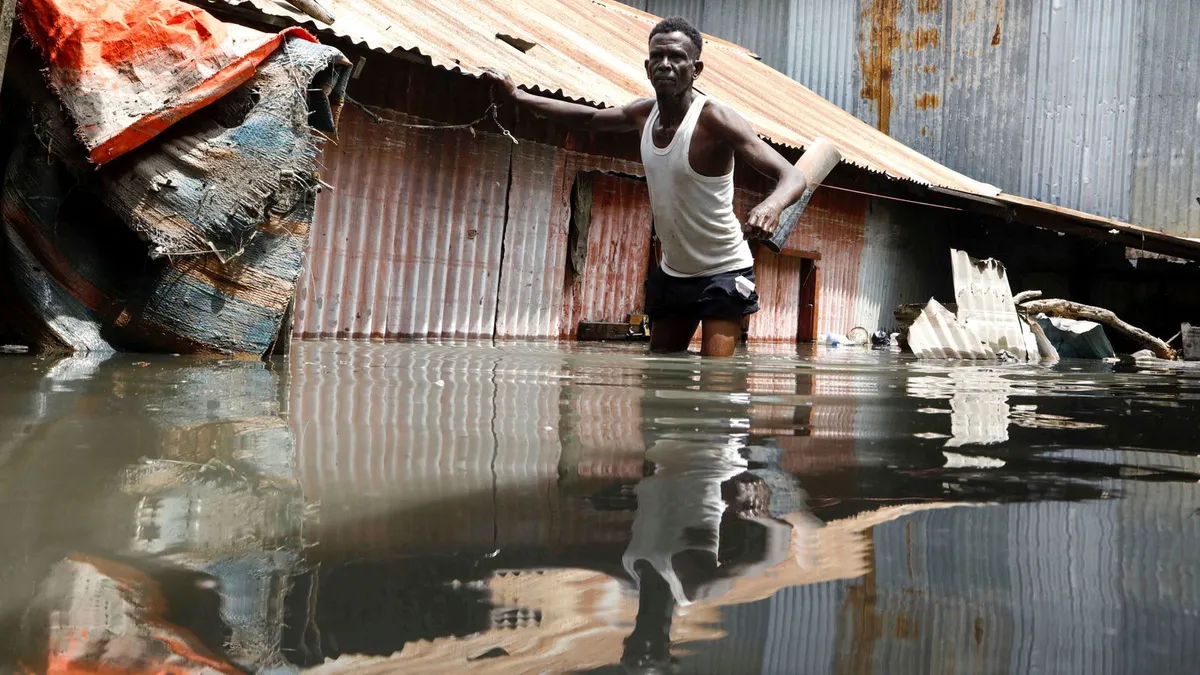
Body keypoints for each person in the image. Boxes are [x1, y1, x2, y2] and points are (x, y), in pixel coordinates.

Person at [480, 16, 809, 357]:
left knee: (717, 386)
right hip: (673, 272)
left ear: (695, 68)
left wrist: (771, 206)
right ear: (647, 65)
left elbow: (792, 176)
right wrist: (517, 97)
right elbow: (588, 118)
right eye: (658, 57)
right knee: (661, 372)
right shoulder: (643, 114)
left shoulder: (716, 119)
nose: (666, 65)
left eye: (677, 57)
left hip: (724, 270)